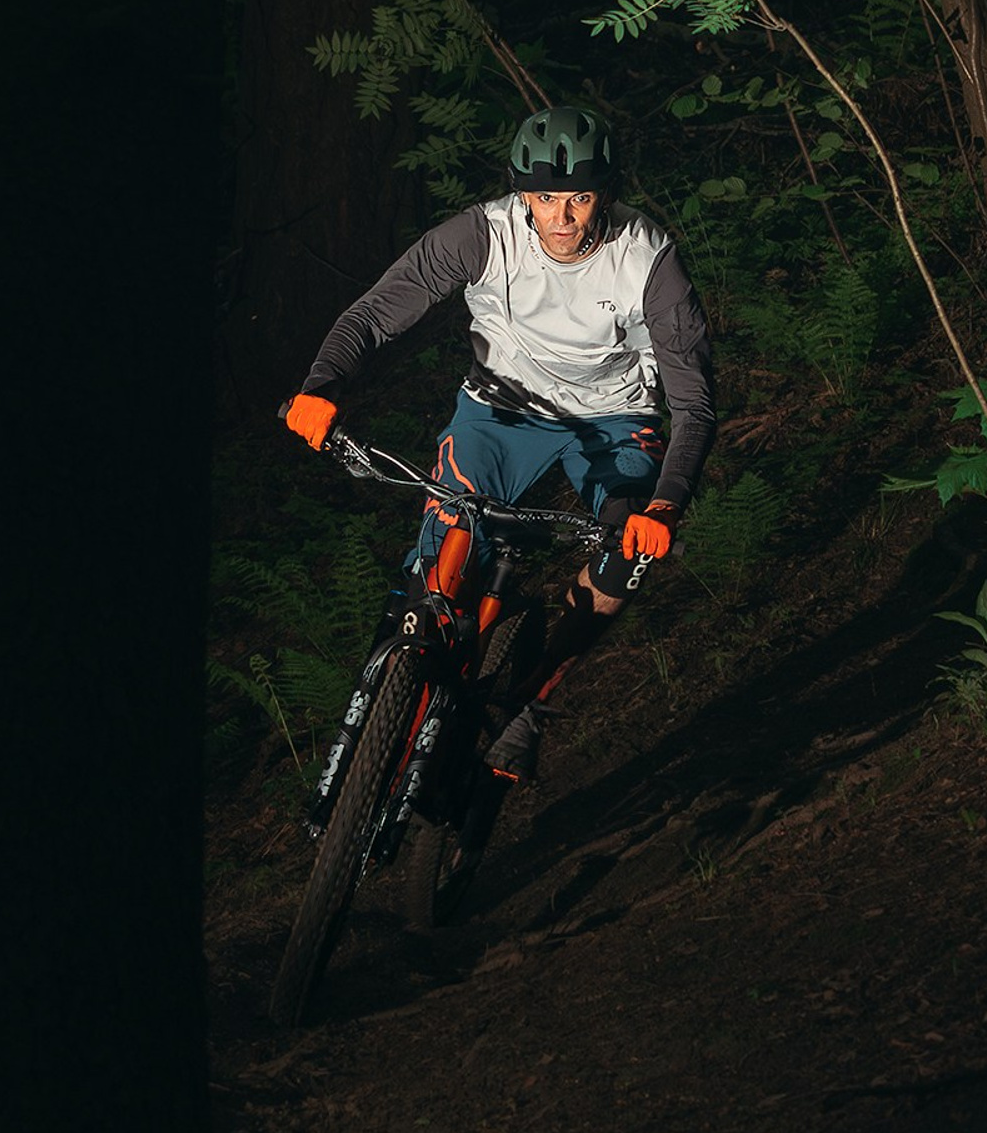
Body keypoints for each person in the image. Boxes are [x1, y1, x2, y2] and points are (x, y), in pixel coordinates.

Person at [281, 101, 716, 810]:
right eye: (545, 197)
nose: (563, 216)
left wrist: (664, 506)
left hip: (613, 417)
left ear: (604, 193)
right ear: (523, 193)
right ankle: (381, 698)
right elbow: (375, 312)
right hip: (500, 406)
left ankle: (526, 702)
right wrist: (320, 388)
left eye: (578, 197)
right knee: (443, 543)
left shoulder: (648, 258)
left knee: (626, 553)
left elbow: (693, 404)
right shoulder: (482, 234)